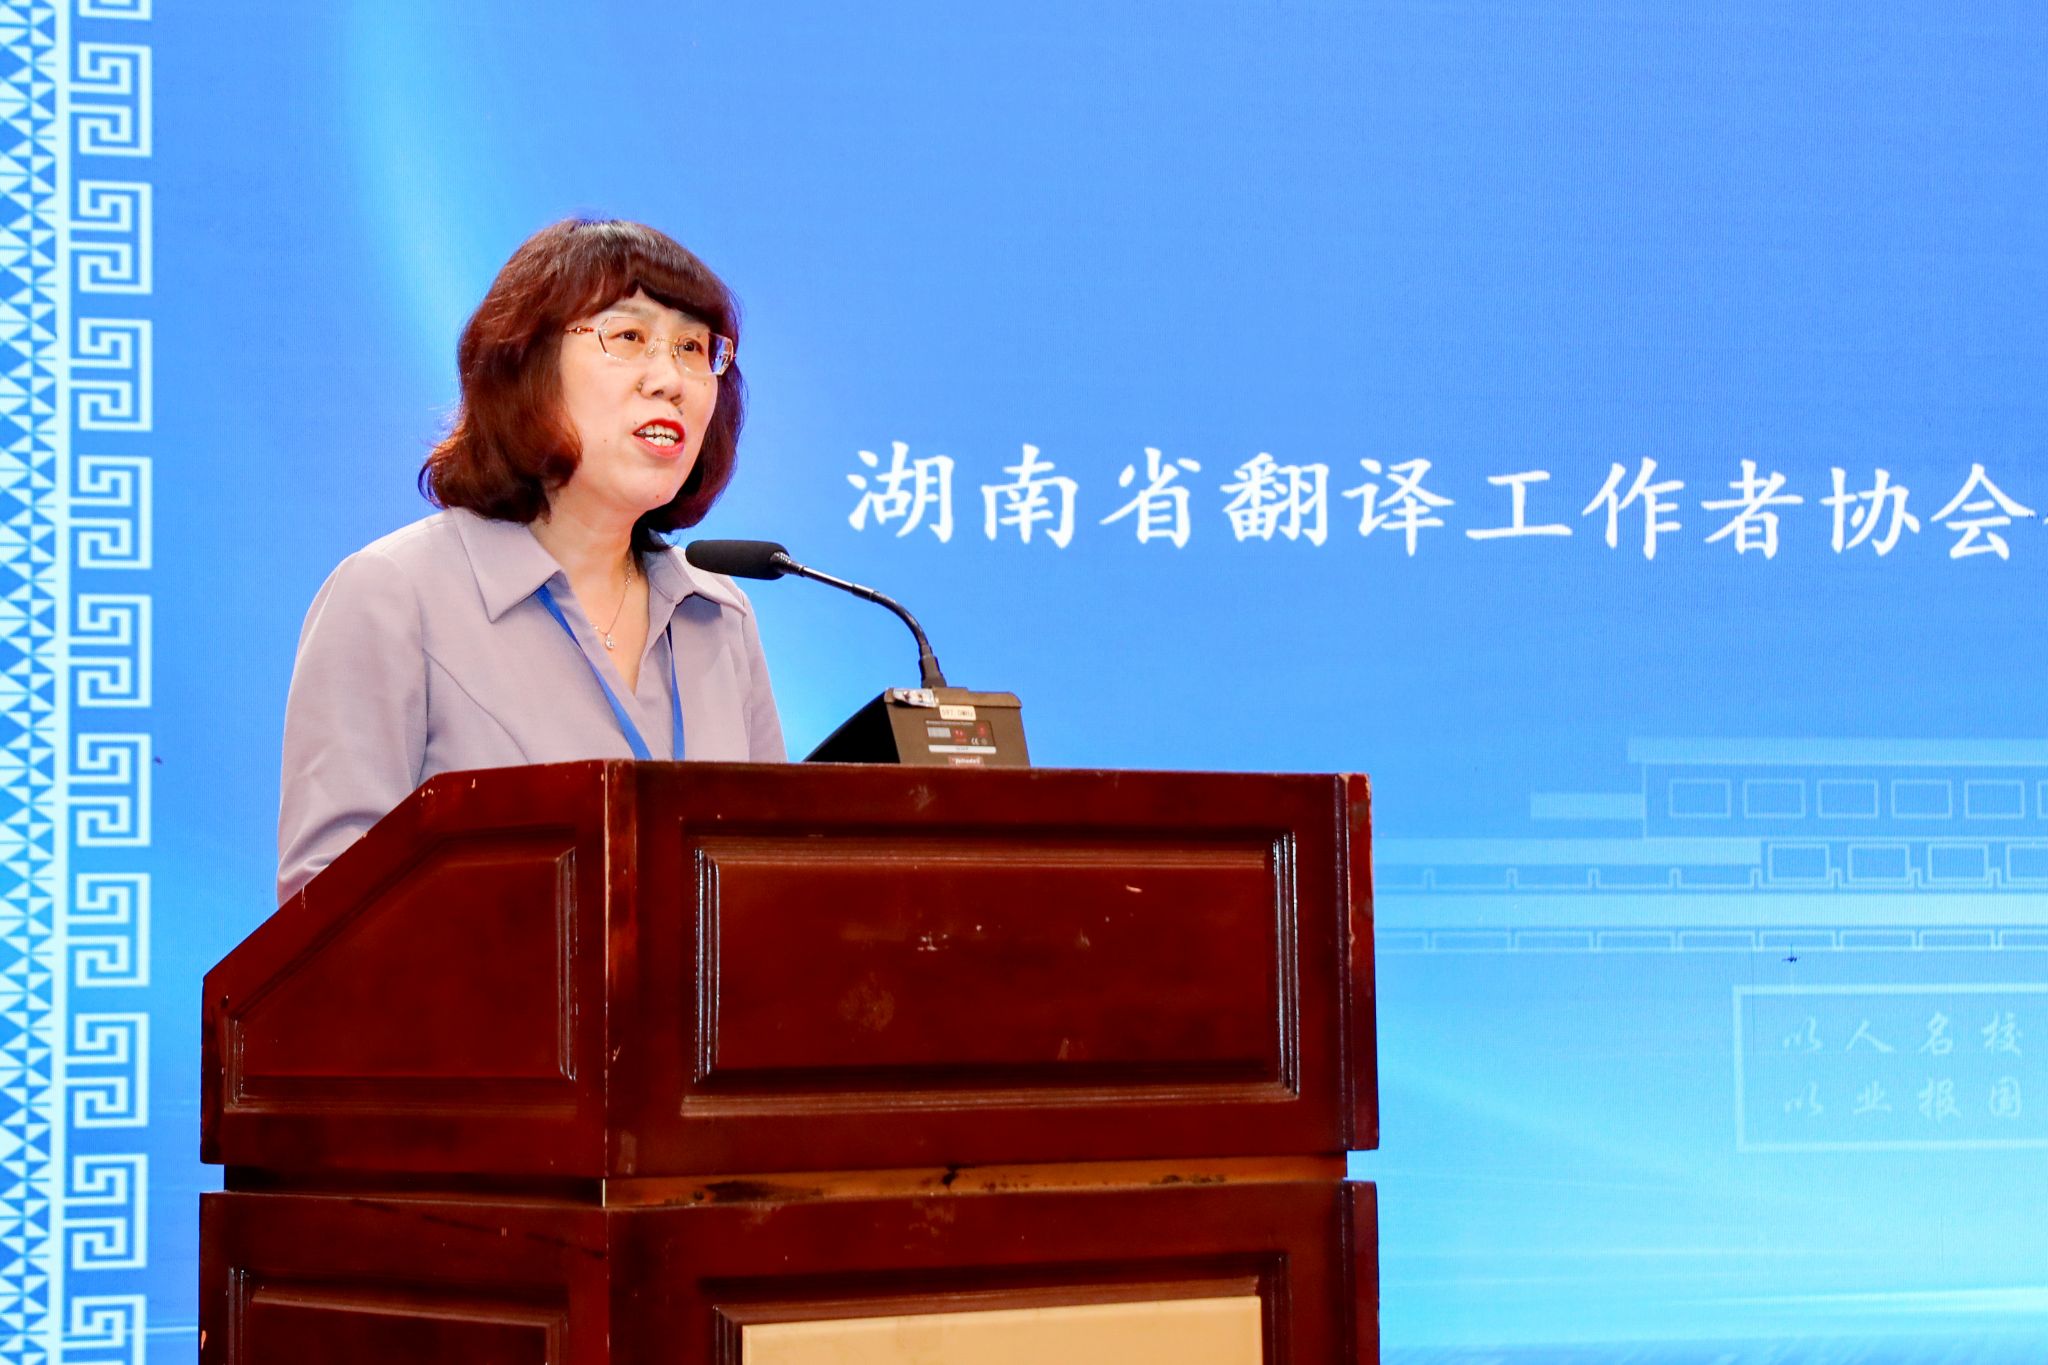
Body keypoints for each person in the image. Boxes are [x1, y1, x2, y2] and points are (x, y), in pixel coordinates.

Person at [276, 218, 784, 902]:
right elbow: (329, 907)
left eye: (693, 348)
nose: (670, 380)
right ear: (527, 364)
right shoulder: (394, 596)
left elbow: (770, 884)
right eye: (629, 338)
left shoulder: (719, 617)